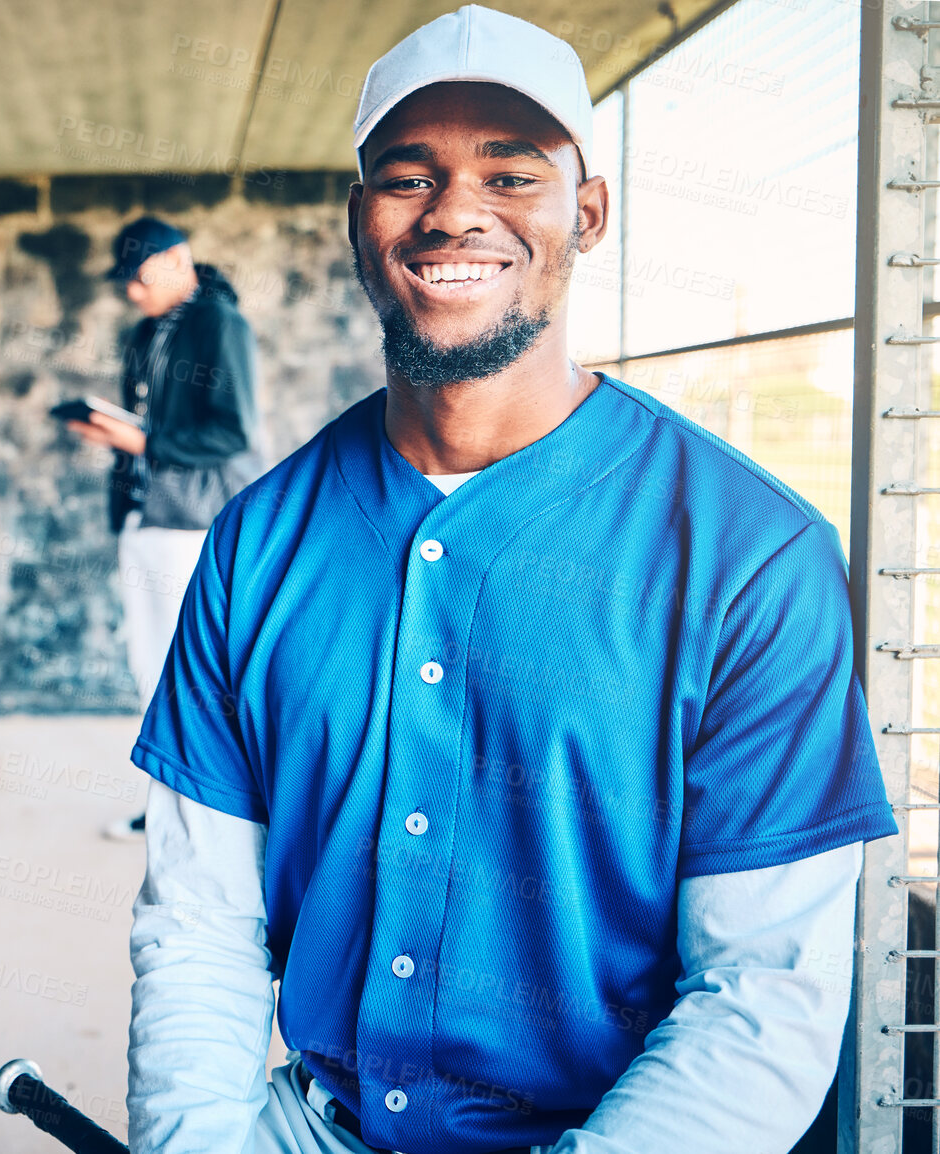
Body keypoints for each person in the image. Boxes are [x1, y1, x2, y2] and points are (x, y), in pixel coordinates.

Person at [126, 8, 899, 1154]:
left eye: (510, 171)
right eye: (408, 175)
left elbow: (761, 995)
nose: (454, 211)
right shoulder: (254, 542)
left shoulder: (752, 552)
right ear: (359, 222)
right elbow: (196, 923)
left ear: (586, 211)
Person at [67, 216, 264, 841]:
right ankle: (168, 805)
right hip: (143, 513)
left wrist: (141, 439)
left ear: (178, 260)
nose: (130, 291)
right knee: (149, 668)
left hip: (190, 522)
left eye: (139, 277)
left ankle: (203, 815)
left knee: (188, 674)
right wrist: (116, 432)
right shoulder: (147, 331)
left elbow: (232, 433)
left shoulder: (218, 323)